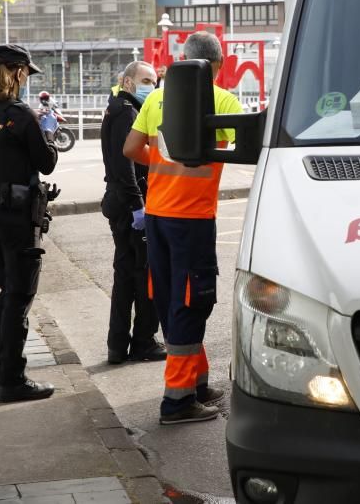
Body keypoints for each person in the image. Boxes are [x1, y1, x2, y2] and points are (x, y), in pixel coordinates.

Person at [123, 31, 242, 425]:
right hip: (192, 218)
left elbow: (130, 149)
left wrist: (164, 168)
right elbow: (246, 147)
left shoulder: (156, 97)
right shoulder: (222, 99)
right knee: (193, 300)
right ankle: (177, 401)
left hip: (157, 214)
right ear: (216, 66)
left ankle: (197, 382)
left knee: (174, 295)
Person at [0, 44, 59, 403]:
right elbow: (48, 162)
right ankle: (12, 379)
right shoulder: (21, 115)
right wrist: (48, 132)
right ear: (20, 73)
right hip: (16, 219)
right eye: (27, 73)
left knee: (6, 293)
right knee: (19, 298)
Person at [101, 60, 164, 364]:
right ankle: (143, 341)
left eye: (154, 81)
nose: (151, 86)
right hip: (130, 204)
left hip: (120, 202)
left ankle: (117, 345)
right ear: (127, 83)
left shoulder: (118, 108)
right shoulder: (127, 112)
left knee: (124, 275)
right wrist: (139, 206)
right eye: (146, 80)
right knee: (143, 275)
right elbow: (124, 165)